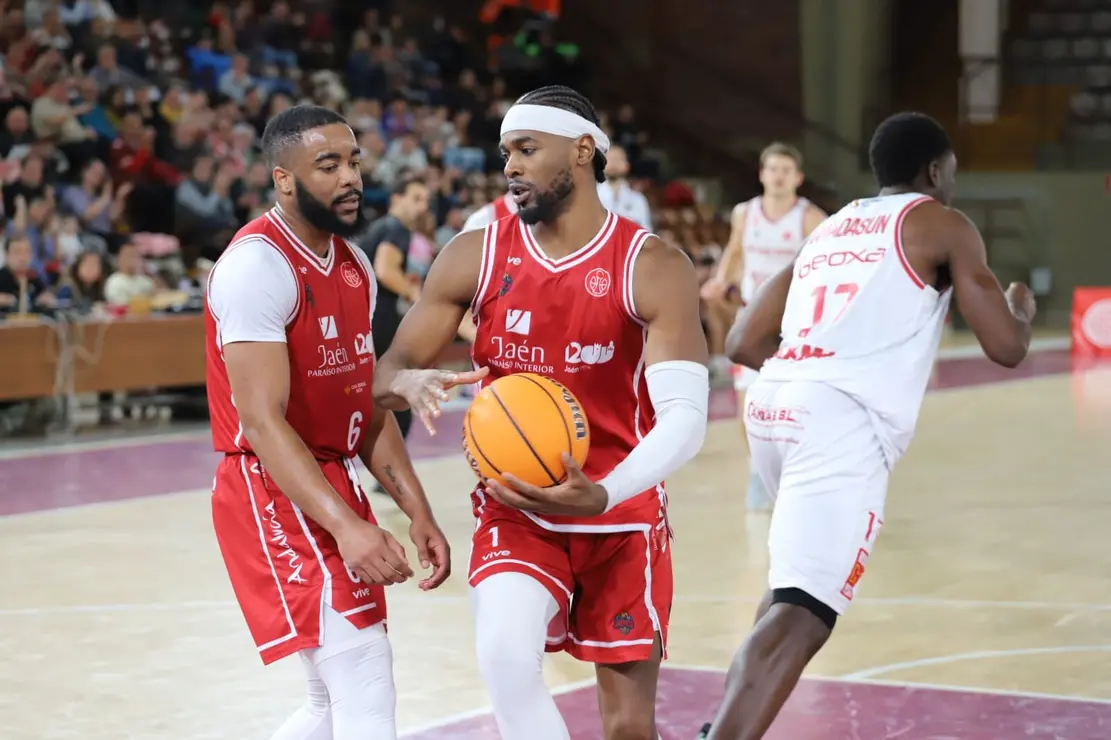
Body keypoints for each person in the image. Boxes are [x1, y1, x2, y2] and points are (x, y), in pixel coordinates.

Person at [373, 85, 710, 740]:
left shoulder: (651, 265)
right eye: (506, 153)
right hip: (517, 507)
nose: (511, 167)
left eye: (527, 149)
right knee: (504, 656)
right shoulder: (475, 254)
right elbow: (387, 371)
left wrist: (605, 492)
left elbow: (685, 416)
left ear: (582, 151)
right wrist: (408, 381)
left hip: (620, 513)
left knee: (628, 728)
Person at [698, 112, 1036, 740]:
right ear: (935, 171)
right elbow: (1006, 347)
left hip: (772, 406)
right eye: (951, 172)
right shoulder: (942, 224)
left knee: (787, 595)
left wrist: (811, 370)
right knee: (805, 613)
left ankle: (719, 726)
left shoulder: (830, 227)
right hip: (837, 422)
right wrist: (1019, 306)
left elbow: (743, 341)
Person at [203, 105, 451, 740]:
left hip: (330, 476)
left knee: (329, 701)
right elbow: (261, 422)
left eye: (354, 162)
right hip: (270, 484)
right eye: (328, 165)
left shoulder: (354, 265)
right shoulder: (257, 267)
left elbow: (362, 404)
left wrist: (417, 510)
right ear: (284, 179)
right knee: (364, 672)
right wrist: (346, 528)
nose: (349, 178)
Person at [700, 142, 826, 513]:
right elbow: (735, 251)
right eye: (773, 169)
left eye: (786, 170)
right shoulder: (745, 213)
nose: (778, 176)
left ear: (798, 178)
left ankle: (795, 472)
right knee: (748, 403)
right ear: (762, 174)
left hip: (795, 325)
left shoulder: (811, 218)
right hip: (752, 320)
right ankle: (758, 470)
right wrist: (721, 280)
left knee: (796, 403)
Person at [356, 175, 432, 444]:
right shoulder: (396, 228)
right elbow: (385, 270)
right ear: (397, 200)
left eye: (426, 201)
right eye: (416, 199)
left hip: (363, 319)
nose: (423, 207)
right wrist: (418, 298)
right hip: (377, 319)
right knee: (397, 393)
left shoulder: (381, 227)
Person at [596, 143, 652, 230]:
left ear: (627, 166)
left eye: (618, 159)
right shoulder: (591, 196)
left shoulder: (638, 199)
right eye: (610, 158)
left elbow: (646, 232)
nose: (613, 162)